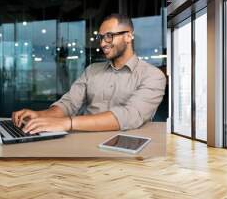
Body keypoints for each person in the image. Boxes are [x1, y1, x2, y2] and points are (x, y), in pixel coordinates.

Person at [12, 13, 166, 134]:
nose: (102, 43)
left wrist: (67, 123)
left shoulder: (153, 76)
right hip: (83, 143)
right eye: (101, 37)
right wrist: (41, 115)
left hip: (126, 150)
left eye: (109, 36)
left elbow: (129, 115)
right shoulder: (92, 70)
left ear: (128, 36)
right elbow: (69, 103)